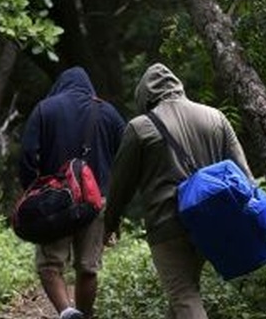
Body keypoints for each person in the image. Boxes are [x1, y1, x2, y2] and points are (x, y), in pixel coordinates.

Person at [103, 62, 255, 319]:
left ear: (144, 96)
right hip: (213, 222)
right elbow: (245, 175)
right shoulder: (216, 117)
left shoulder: (140, 127)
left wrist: (110, 222)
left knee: (183, 294)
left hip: (168, 225)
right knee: (185, 291)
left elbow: (121, 184)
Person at [19, 66, 126, 319]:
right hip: (96, 200)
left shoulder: (46, 108)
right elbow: (125, 158)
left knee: (49, 265)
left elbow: (26, 155)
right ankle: (84, 316)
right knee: (88, 268)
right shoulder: (108, 112)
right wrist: (116, 204)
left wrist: (32, 192)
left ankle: (66, 312)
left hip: (54, 202)